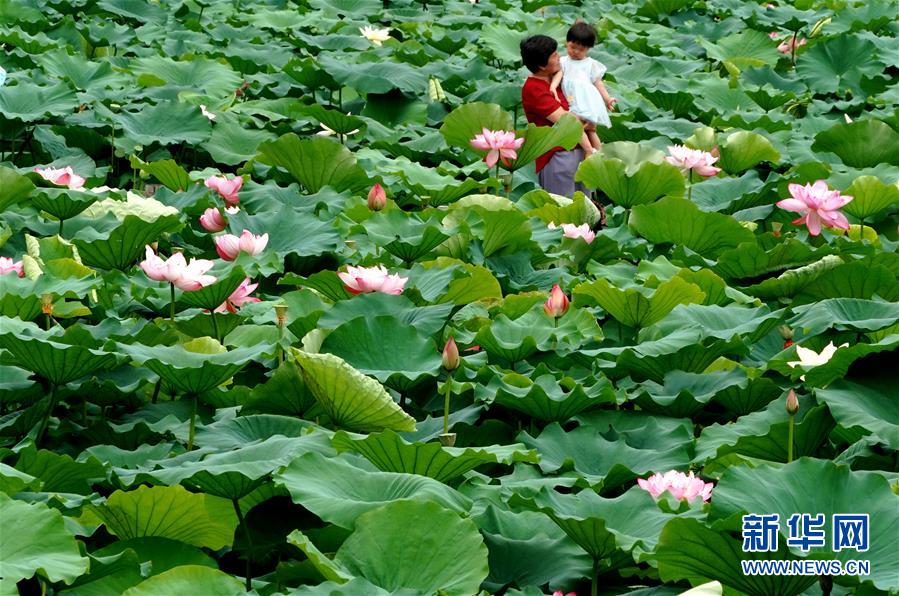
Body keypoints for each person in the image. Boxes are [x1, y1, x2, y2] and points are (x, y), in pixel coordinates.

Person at [520, 34, 591, 198]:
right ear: (541, 65)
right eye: (553, 55)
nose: (559, 57)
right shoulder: (534, 89)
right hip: (558, 157)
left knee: (587, 215)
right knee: (562, 215)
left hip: (582, 155)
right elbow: (567, 122)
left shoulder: (559, 79)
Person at [550, 21, 616, 155]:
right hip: (572, 99)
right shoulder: (563, 61)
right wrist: (552, 86)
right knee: (581, 127)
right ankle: (593, 152)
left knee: (585, 128)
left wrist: (607, 99)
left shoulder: (591, 64)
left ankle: (595, 153)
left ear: (588, 49)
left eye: (581, 50)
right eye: (572, 47)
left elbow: (598, 83)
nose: (575, 52)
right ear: (567, 42)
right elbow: (559, 74)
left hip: (587, 100)